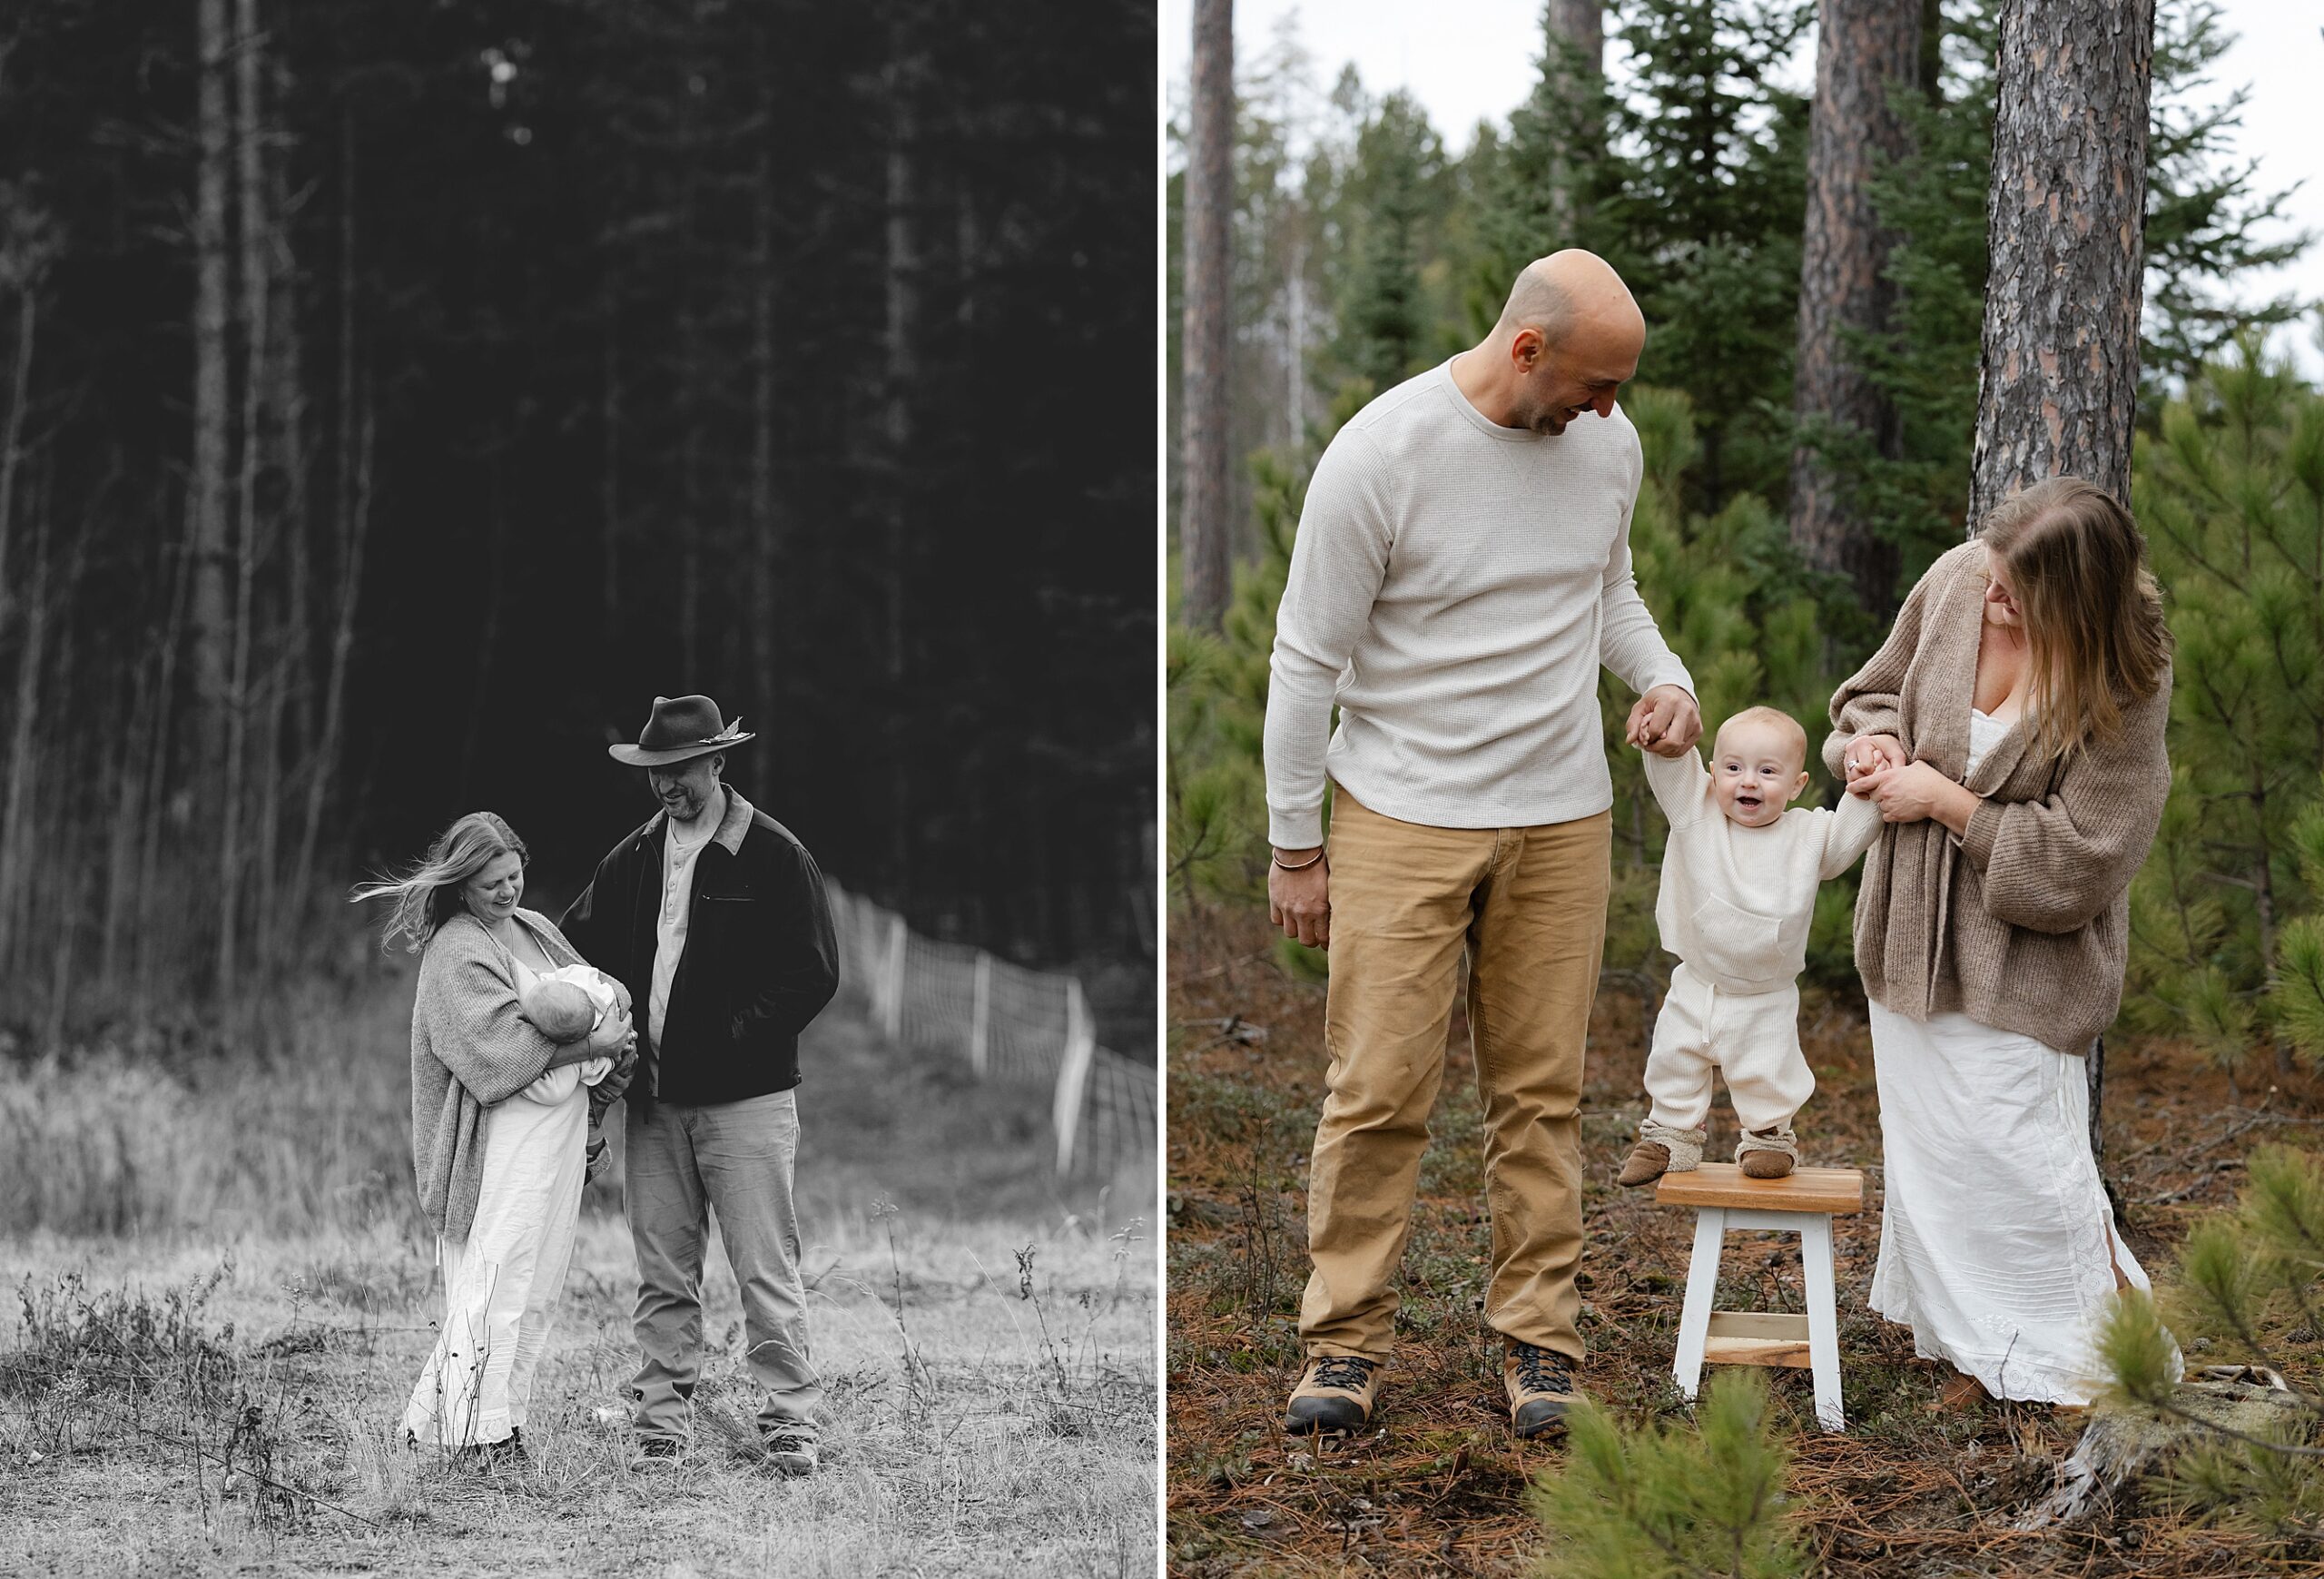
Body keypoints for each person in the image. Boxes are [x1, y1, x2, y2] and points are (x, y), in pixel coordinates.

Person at [1263, 251, 1701, 1440]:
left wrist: (1665, 677)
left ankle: (1540, 1347)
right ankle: (1344, 1343)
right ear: (1526, 347)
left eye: (1621, 390)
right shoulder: (1383, 454)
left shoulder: (1608, 448)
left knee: (1542, 1097)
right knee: (1377, 1091)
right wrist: (1295, 845)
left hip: (1560, 819)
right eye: (1597, 382)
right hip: (1400, 813)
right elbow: (1305, 660)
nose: (1610, 410)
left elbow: (1606, 590)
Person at [1830, 475, 2174, 1406]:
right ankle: (1974, 1350)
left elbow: (2083, 860)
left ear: (2074, 601)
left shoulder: (2123, 680)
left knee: (2024, 1161)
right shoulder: (1953, 581)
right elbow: (1870, 694)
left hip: (2025, 964)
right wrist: (1869, 748)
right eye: (1989, 574)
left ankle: (2091, 1362)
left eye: (2013, 594)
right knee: (1937, 1154)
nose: (1988, 597)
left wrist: (1945, 802)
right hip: (1908, 935)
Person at [560, 694, 841, 1474]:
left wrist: (729, 1037)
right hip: (652, 1105)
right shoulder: (635, 855)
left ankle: (790, 1423)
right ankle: (659, 1424)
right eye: (655, 772)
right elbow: (575, 946)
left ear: (718, 762)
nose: (666, 786)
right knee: (663, 1272)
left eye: (679, 770)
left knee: (763, 1267)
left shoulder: (777, 855)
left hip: (747, 1104)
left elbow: (813, 974)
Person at [356, 812, 637, 1466]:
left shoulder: (535, 927)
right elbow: (495, 1055)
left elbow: (597, 990)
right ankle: (479, 1434)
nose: (507, 891)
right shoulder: (457, 948)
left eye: (513, 875)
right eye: (491, 884)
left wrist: (595, 1098)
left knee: (537, 1279)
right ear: (462, 886)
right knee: (496, 1276)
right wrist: (590, 1042)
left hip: (558, 1132)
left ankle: (449, 1420)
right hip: (501, 1139)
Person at [1617, 706, 1882, 1187]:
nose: (1749, 783)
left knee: (1767, 1070)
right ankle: (1670, 1135)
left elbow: (1848, 838)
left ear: (1797, 785)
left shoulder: (1807, 835)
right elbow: (1674, 768)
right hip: (1698, 980)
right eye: (1734, 768)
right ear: (1713, 773)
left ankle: (1767, 1137)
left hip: (1766, 992)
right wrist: (1663, 741)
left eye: (1767, 771)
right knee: (1675, 1056)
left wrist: (1867, 786)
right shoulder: (1696, 813)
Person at [516, 962, 628, 1179]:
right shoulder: (584, 989)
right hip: (615, 1045)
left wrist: (523, 1080)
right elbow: (592, 976)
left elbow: (553, 1091)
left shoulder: (576, 1059)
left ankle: (595, 1159)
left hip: (605, 1069)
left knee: (591, 1117)